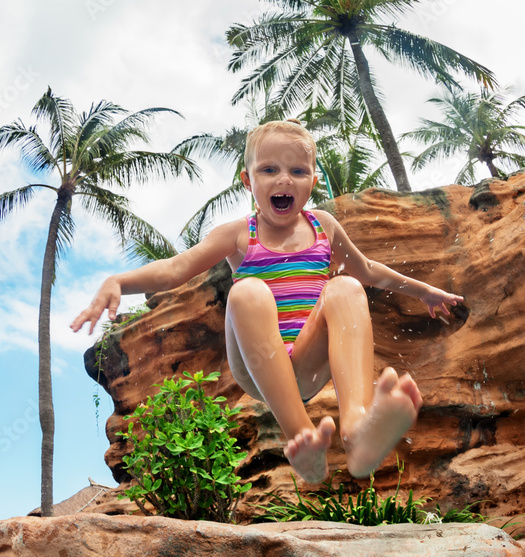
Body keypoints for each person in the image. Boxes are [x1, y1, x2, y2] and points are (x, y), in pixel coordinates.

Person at [71, 119, 463, 483]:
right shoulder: (240, 235)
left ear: (313, 180)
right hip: (257, 365)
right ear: (247, 180)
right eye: (269, 170)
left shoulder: (324, 227)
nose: (284, 180)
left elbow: (368, 270)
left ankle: (358, 430)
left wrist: (424, 291)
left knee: (346, 288)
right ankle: (302, 439)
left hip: (308, 363)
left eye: (297, 171)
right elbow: (176, 269)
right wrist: (118, 279)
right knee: (247, 290)